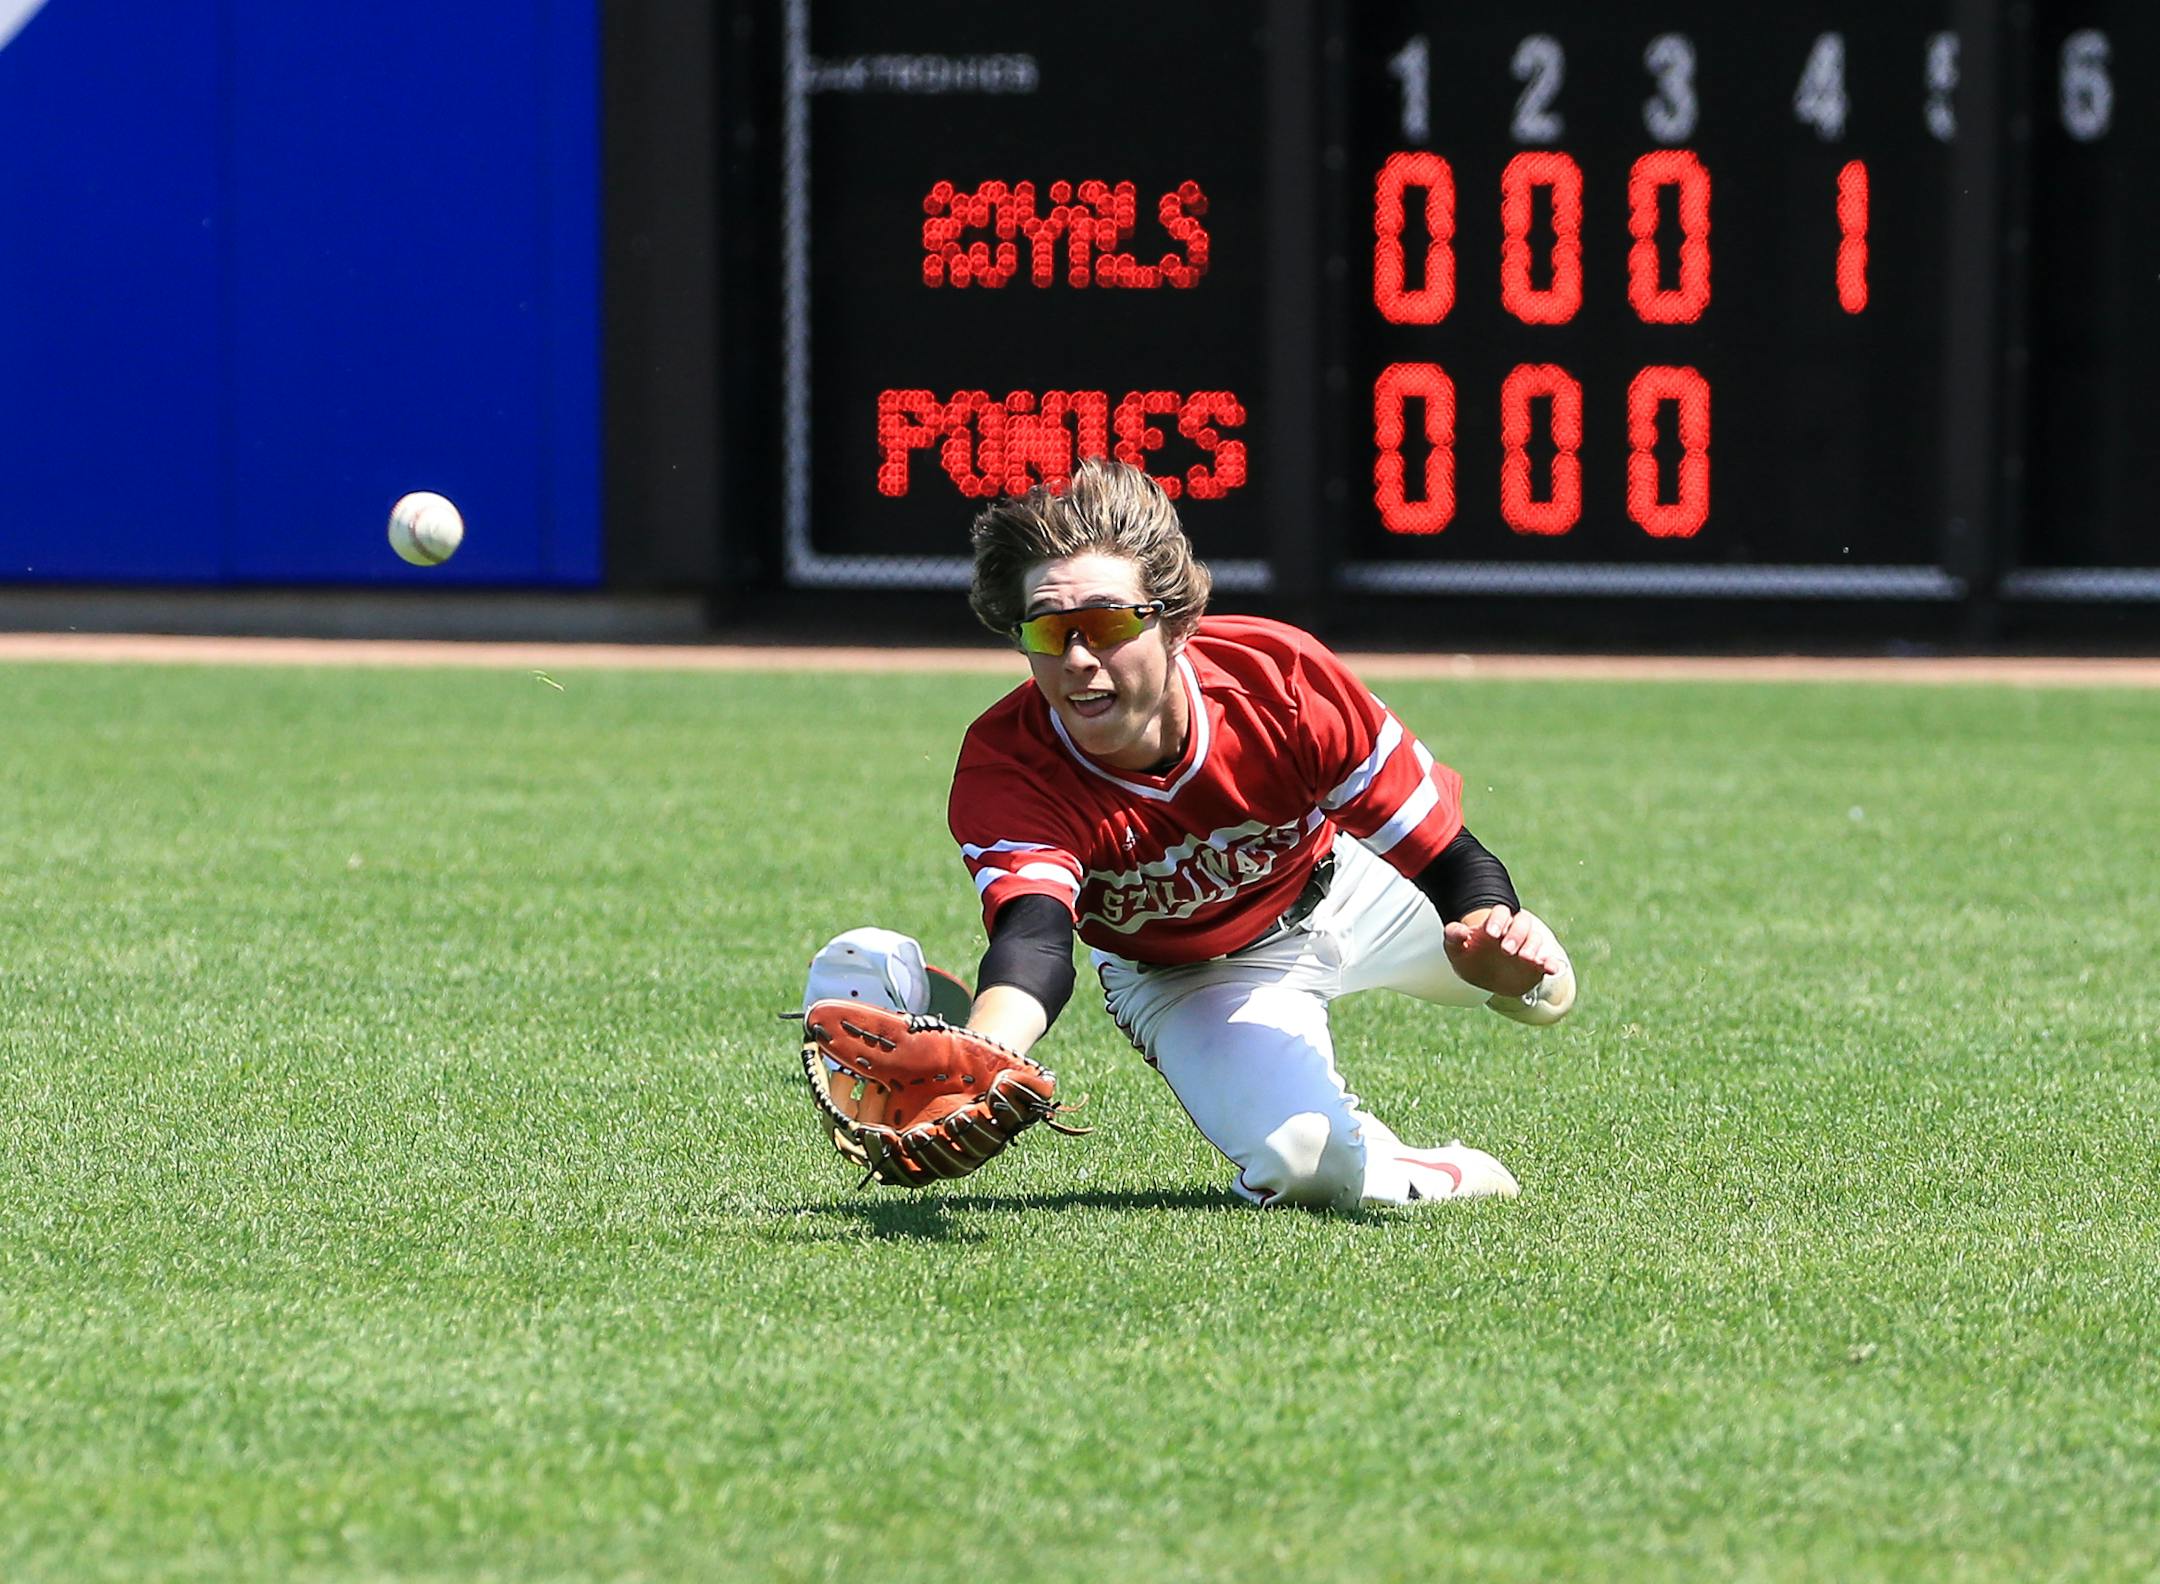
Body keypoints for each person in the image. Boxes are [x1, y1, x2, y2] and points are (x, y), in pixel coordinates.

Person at [946, 458, 1576, 1209]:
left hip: (1344, 887)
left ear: (1175, 623)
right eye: (1050, 631)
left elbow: (1450, 859)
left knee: (1547, 990)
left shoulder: (1279, 681)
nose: (1078, 658)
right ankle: (1417, 1169)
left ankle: (1507, 987)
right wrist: (984, 1057)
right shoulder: (1010, 763)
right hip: (1193, 974)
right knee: (1311, 1167)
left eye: (1108, 624)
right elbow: (1035, 943)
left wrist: (1487, 936)